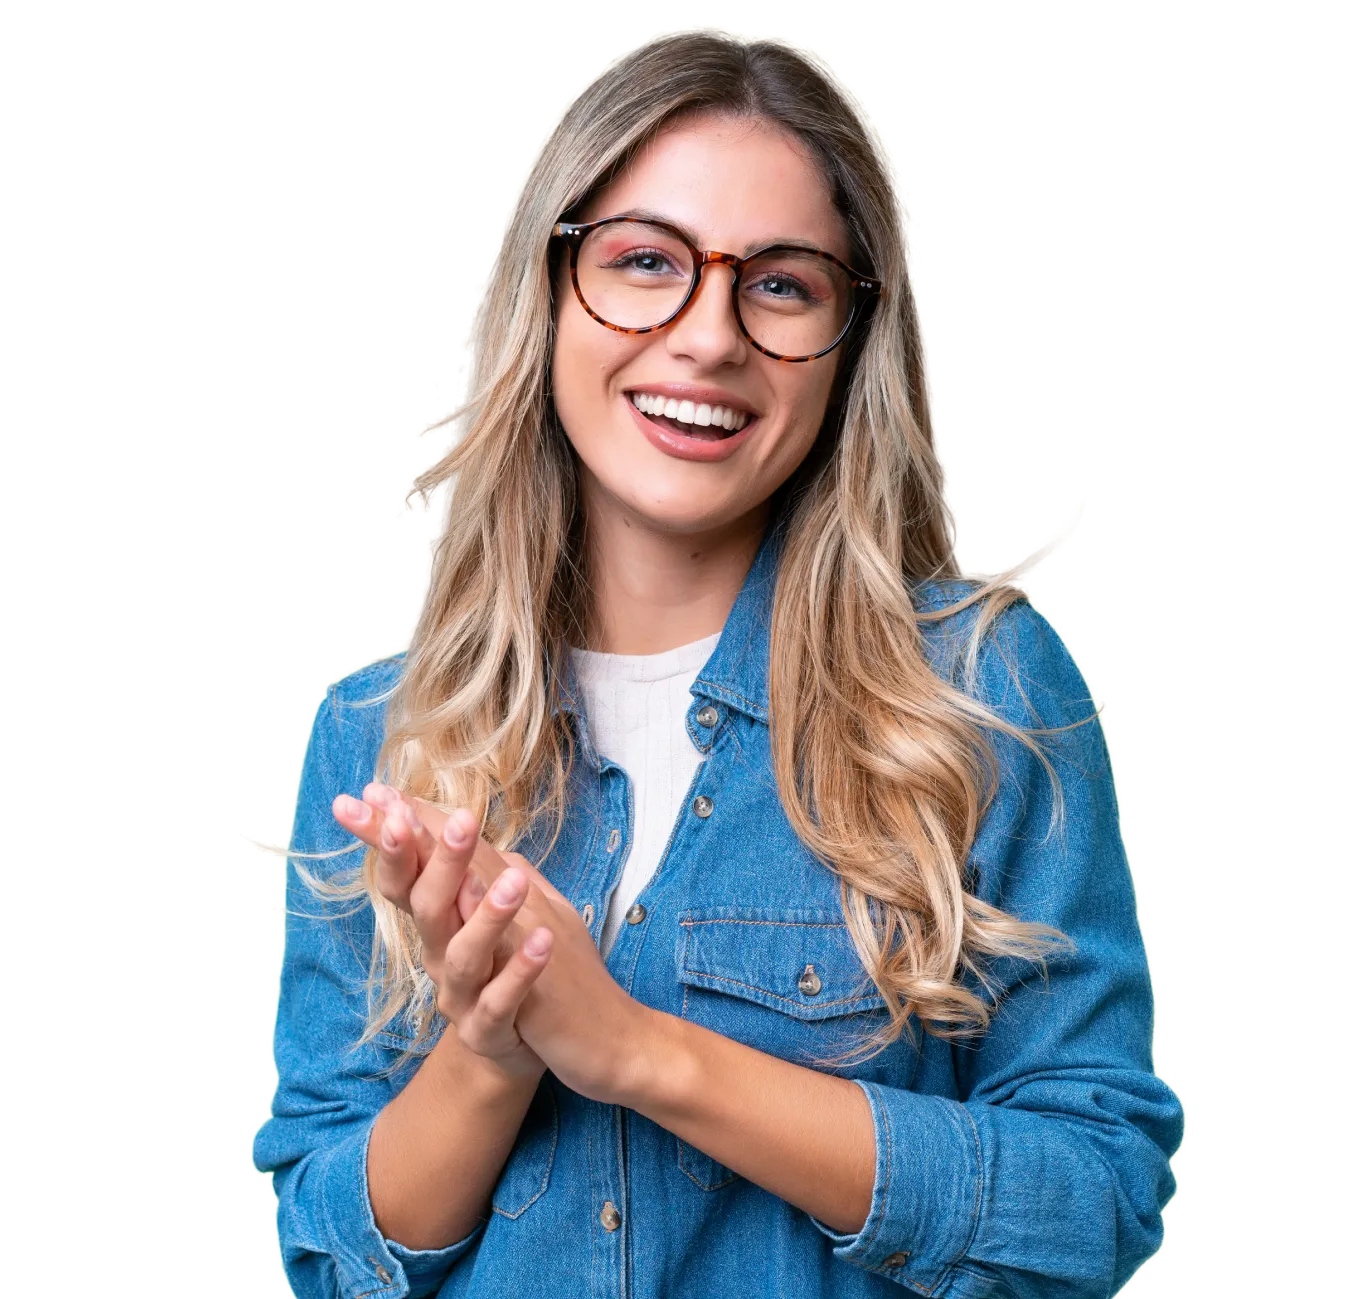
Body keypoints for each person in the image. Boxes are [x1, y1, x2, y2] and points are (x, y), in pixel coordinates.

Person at [249, 28, 1186, 1299]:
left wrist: (643, 1054)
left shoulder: (980, 688)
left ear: (851, 340)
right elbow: (330, 1256)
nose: (707, 338)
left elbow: (1092, 1198)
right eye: (646, 262)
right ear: (549, 289)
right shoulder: (380, 732)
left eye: (782, 284)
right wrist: (493, 1048)